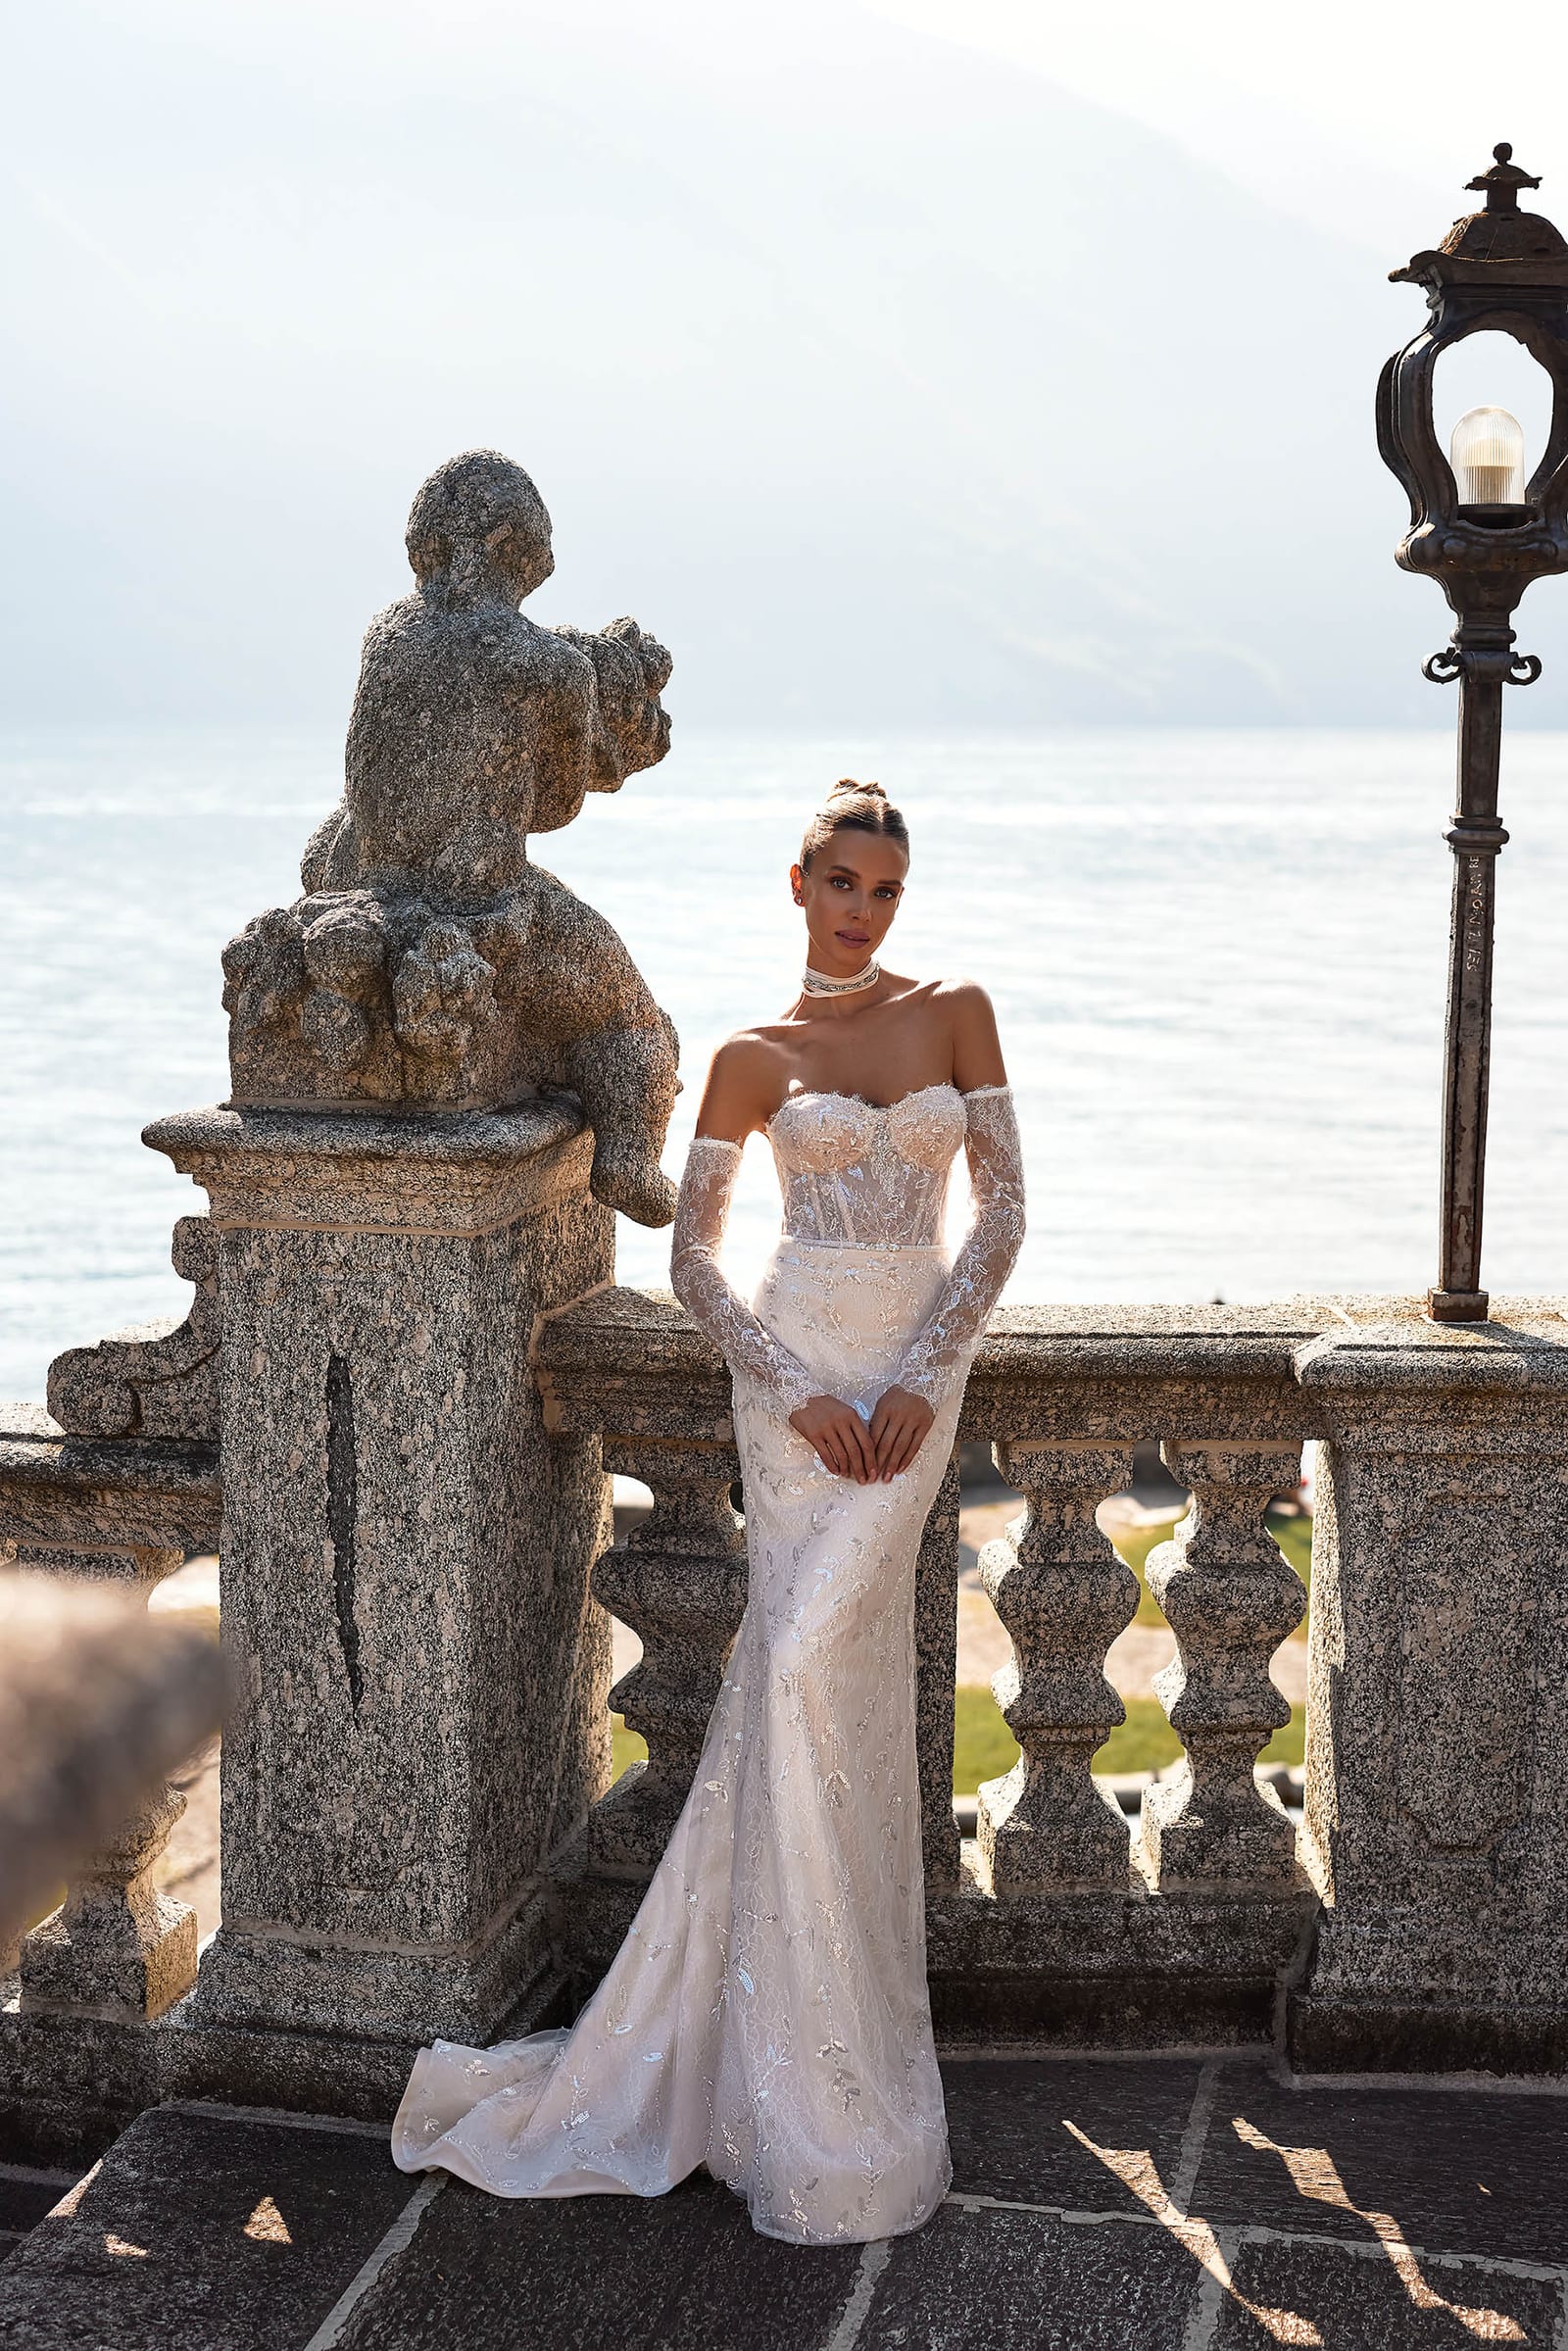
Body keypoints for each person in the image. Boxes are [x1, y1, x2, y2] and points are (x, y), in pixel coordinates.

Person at [391, 777, 1026, 2244]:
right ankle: (780, 2073)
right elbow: (693, 1261)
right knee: (798, 1679)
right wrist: (794, 1385)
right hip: (795, 1389)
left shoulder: (958, 1012)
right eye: (843, 883)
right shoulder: (748, 1058)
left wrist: (926, 1376)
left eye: (886, 889)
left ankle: (837, 2057)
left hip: (912, 1381)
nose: (865, 910)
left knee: (814, 1678)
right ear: (795, 886)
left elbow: (996, 1214)